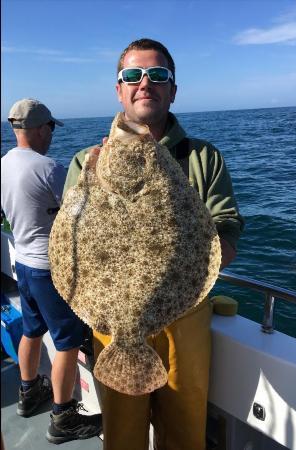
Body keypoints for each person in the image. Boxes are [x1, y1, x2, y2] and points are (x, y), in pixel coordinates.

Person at [64, 39, 244, 450]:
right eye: (133, 75)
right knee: (123, 438)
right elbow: (70, 245)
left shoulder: (203, 157)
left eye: (158, 75)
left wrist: (196, 265)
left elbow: (227, 227)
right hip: (115, 326)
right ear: (119, 89)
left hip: (187, 319)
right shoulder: (85, 162)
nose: (145, 83)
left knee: (185, 433)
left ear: (172, 89)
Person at [1, 98, 102, 444]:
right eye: (50, 129)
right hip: (50, 270)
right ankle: (64, 416)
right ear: (41, 129)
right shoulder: (50, 168)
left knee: (31, 330)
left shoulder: (3, 165)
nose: (52, 136)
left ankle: (28, 394)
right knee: (68, 342)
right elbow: (88, 212)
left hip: (23, 265)